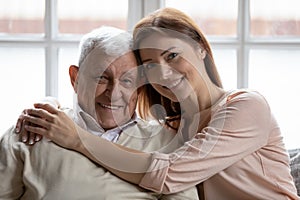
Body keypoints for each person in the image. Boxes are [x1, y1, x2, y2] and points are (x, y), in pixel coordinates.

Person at [14, 8, 299, 199]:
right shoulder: (172, 126)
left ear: (200, 47)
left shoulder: (247, 106)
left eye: (172, 56)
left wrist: (78, 139)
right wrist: (47, 107)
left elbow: (168, 174)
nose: (162, 72)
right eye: (150, 64)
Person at [0, 25, 198, 199]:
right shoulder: (29, 132)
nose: (114, 93)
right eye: (102, 78)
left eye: (127, 81)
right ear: (75, 78)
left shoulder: (167, 144)